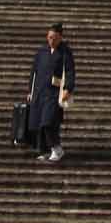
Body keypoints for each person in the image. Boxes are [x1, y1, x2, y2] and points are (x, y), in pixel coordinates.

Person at [26, 22, 76, 163]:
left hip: (54, 92)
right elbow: (33, 72)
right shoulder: (42, 51)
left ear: (60, 37)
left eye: (54, 38)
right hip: (39, 91)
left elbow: (70, 71)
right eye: (49, 37)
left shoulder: (65, 52)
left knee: (48, 122)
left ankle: (56, 148)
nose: (51, 40)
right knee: (38, 122)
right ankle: (43, 150)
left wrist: (68, 88)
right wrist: (30, 90)